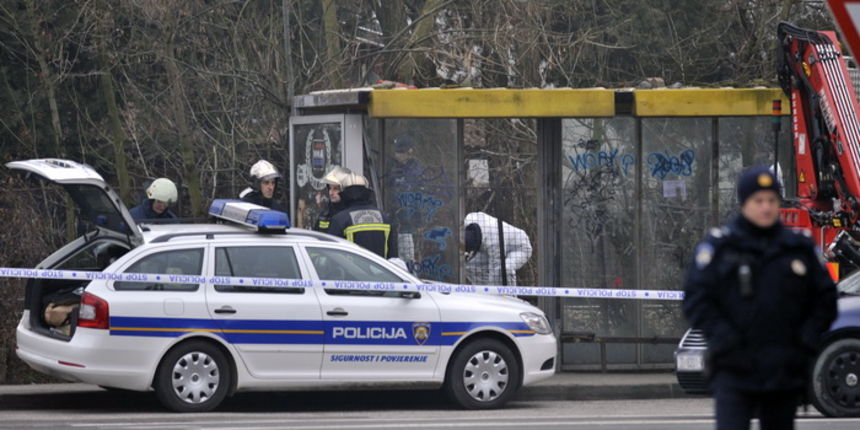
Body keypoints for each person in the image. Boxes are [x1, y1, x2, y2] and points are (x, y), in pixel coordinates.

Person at [682, 166, 838, 430]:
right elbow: (697, 299)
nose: (766, 207)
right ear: (744, 203)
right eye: (758, 200)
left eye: (771, 200)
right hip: (734, 368)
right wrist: (723, 338)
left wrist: (805, 341)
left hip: (783, 370)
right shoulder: (722, 247)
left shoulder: (797, 247)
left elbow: (824, 300)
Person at [327, 172, 397, 259]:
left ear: (344, 194)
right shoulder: (385, 218)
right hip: (379, 268)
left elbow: (331, 256)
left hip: (352, 268)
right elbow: (394, 257)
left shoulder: (340, 220)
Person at [463, 212, 532, 286]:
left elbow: (495, 272)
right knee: (468, 265)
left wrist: (492, 290)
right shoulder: (468, 219)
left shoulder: (494, 242)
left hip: (519, 248)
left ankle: (510, 292)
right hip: (492, 245)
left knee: (505, 268)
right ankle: (482, 289)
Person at [314, 166, 351, 233]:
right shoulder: (325, 215)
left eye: (335, 189)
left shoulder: (352, 215)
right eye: (330, 188)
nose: (331, 193)